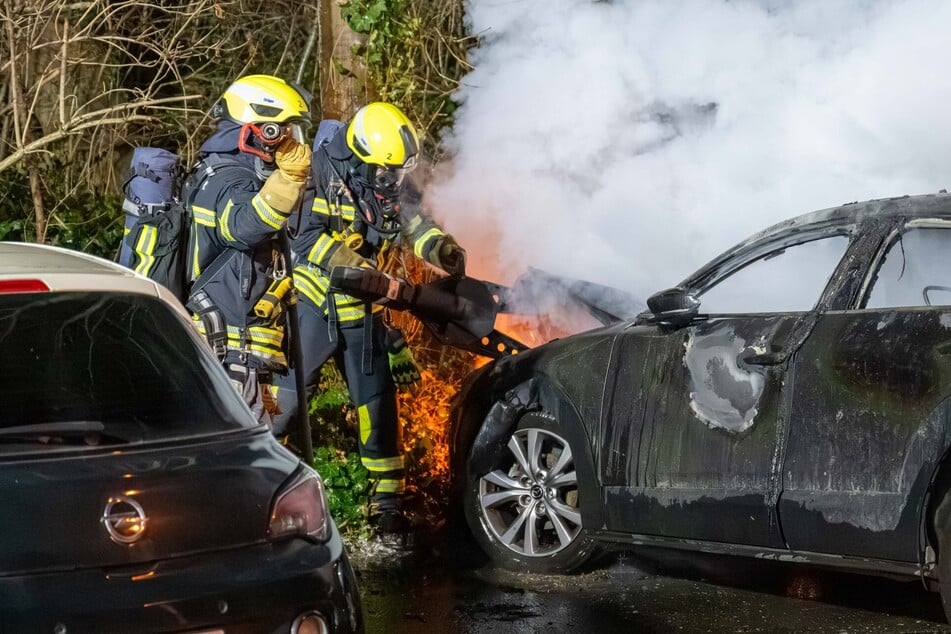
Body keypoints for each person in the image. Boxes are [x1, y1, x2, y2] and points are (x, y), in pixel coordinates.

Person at [271, 102, 467, 533]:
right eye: (384, 172)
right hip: (313, 309)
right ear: (360, 155)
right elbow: (305, 240)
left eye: (397, 172)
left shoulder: (387, 179)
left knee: (377, 405)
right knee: (284, 403)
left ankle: (387, 507)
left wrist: (441, 250)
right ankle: (265, 487)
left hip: (364, 313)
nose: (392, 181)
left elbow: (415, 224)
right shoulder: (319, 173)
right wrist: (359, 269)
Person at [185, 74, 311, 424]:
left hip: (243, 354)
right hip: (230, 352)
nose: (290, 143)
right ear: (258, 130)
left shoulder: (236, 174)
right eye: (282, 132)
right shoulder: (226, 179)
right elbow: (243, 227)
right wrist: (288, 182)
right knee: (248, 460)